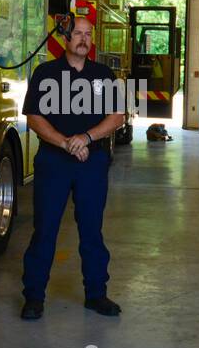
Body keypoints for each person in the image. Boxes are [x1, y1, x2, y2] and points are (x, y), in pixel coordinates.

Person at [20, 16, 125, 320]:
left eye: (88, 34)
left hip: (92, 161)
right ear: (66, 39)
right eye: (78, 33)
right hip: (54, 161)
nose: (83, 39)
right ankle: (34, 297)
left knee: (91, 230)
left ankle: (96, 294)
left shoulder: (104, 75)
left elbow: (117, 116)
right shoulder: (46, 73)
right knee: (45, 230)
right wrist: (65, 143)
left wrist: (86, 138)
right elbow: (35, 118)